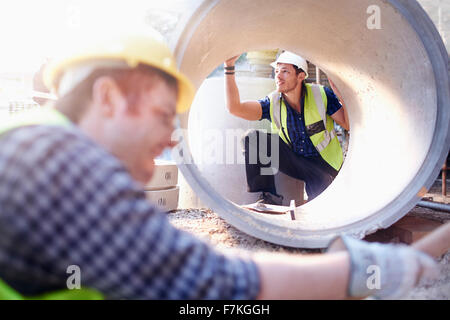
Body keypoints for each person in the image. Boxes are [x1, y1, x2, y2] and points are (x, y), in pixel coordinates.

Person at [0, 31, 438, 300]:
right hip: (300, 162)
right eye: (160, 115)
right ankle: (266, 197)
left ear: (301, 75)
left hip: (331, 168)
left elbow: (359, 121)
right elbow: (209, 282)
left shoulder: (43, 148)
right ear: (109, 99)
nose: (172, 137)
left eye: (286, 70)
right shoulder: (54, 165)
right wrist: (353, 272)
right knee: (258, 141)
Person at [225, 51, 349, 204]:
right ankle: (269, 198)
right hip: (295, 162)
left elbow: (347, 124)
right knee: (252, 138)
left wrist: (342, 94)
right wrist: (229, 67)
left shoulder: (322, 95)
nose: (278, 76)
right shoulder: (273, 102)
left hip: (323, 168)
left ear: (301, 76)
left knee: (321, 208)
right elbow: (235, 108)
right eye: (277, 71)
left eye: (285, 71)